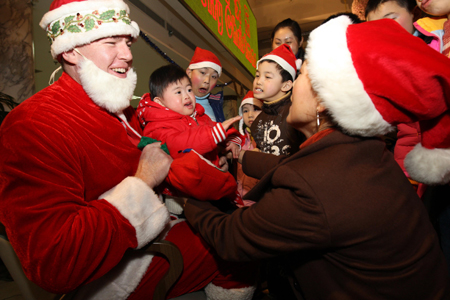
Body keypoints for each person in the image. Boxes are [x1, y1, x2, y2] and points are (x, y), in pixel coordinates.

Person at [0, 1, 256, 299]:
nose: (128, 55)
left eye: (127, 42)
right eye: (112, 42)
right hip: (109, 277)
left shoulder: (122, 110)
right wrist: (143, 181)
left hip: (154, 237)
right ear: (70, 50)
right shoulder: (34, 123)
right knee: (242, 244)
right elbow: (54, 263)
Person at [183, 16, 450, 299]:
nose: (294, 85)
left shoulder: (317, 184)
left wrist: (188, 199)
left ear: (323, 100)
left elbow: (231, 237)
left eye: (301, 76)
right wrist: (240, 159)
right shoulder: (359, 152)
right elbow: (297, 166)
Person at [136, 64, 243, 205]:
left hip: (212, 187)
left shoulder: (199, 116)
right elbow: (178, 144)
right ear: (160, 102)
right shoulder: (156, 124)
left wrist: (233, 139)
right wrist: (213, 135)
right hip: (182, 197)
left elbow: (219, 129)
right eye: (178, 92)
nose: (187, 96)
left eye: (188, 89)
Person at [365, 0, 426, 195]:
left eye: (391, 19)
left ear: (414, 14)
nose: (383, 30)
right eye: (374, 26)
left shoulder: (434, 46)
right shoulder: (379, 66)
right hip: (406, 161)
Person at [250, 44, 305, 156]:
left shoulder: (296, 114)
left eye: (267, 77)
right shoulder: (257, 122)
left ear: (286, 86)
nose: (258, 81)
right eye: (257, 75)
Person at [186, 47, 241, 158]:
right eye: (202, 72)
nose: (207, 80)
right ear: (189, 72)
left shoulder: (216, 105)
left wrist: (233, 142)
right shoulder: (174, 101)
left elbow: (225, 134)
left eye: (214, 76)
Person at [236, 91, 262, 199]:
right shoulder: (239, 140)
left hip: (258, 200)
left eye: (255, 109)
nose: (250, 115)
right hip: (239, 199)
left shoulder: (266, 140)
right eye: (245, 111)